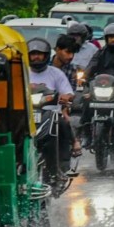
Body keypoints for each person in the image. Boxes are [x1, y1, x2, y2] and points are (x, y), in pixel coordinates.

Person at [27, 38, 76, 178]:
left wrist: (66, 97)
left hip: (51, 113)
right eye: (33, 54)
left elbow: (69, 93)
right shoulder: (21, 72)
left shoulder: (56, 73)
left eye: (40, 54)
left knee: (63, 125)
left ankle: (63, 164)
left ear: (46, 55)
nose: (36, 57)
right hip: (26, 114)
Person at [51, 34, 83, 158]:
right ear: (57, 50)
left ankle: (74, 140)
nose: (70, 56)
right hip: (40, 102)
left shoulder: (73, 70)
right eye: (67, 52)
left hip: (61, 104)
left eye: (72, 53)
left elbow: (71, 93)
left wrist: (66, 102)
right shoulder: (43, 66)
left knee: (66, 118)